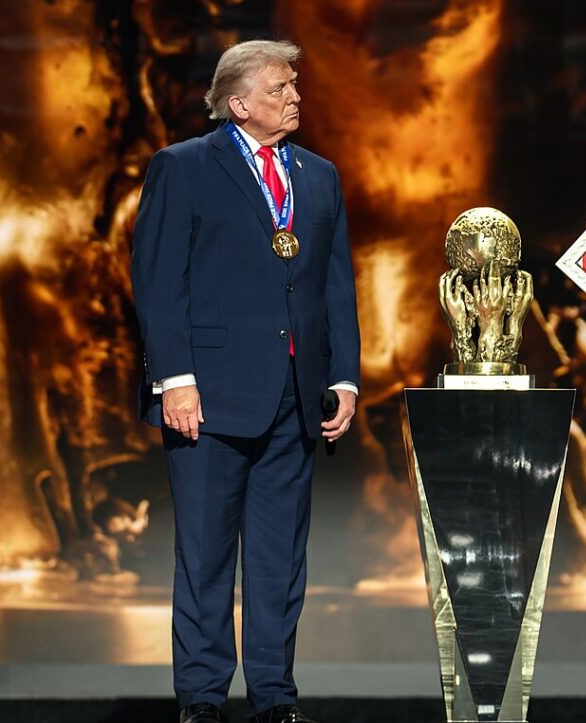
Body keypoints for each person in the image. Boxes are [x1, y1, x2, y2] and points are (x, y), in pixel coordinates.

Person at [131, 40, 360, 723]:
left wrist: (342, 377)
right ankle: (201, 699)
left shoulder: (317, 175)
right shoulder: (183, 168)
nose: (295, 97)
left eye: (294, 85)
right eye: (280, 88)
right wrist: (173, 379)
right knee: (203, 556)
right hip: (206, 394)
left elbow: (334, 285)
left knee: (279, 560)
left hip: (295, 395)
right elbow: (158, 282)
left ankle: (272, 698)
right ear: (237, 103)